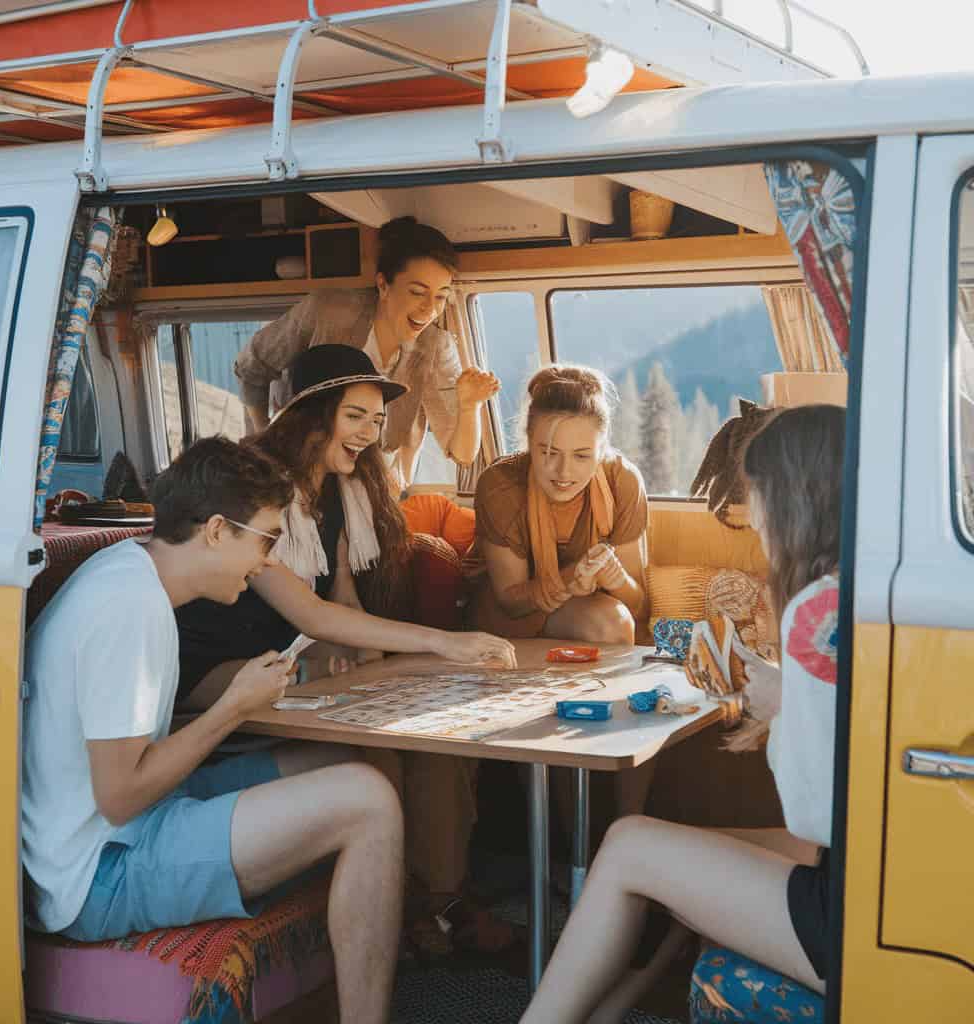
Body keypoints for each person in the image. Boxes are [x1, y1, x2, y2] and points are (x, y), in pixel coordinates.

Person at [22, 437, 404, 1024]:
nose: (270, 561)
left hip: (125, 823)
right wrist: (232, 707)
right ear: (219, 530)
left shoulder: (132, 570)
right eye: (266, 539)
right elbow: (119, 796)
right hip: (96, 869)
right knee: (369, 802)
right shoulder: (127, 610)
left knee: (345, 759)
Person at [175, 344, 519, 958]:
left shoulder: (340, 489)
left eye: (377, 421)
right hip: (212, 666)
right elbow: (309, 612)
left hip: (287, 659)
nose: (368, 433)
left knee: (424, 732)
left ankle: (441, 900)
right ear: (314, 413)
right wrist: (443, 640)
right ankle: (412, 913)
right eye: (355, 415)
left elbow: (342, 599)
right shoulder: (254, 487)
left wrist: (396, 667)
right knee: (371, 745)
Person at [519, 403, 845, 1024]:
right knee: (677, 859)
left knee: (628, 844)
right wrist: (778, 691)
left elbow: (812, 812)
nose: (754, 522)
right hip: (885, 879)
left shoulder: (816, 614)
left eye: (758, 497)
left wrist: (781, 710)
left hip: (846, 916)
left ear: (796, 499)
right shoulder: (864, 589)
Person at [234, 215, 500, 489]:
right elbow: (252, 368)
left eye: (441, 296)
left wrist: (470, 406)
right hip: (301, 471)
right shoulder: (328, 312)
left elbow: (463, 454)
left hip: (376, 488)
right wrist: (263, 437)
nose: (430, 309)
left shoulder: (435, 347)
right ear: (384, 285)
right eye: (418, 293)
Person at [470, 364, 648, 644]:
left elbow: (638, 604)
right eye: (549, 453)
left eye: (581, 456)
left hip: (582, 609)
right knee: (607, 622)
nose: (564, 472)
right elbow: (510, 602)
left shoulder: (622, 481)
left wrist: (616, 578)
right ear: (529, 441)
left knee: (615, 623)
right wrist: (569, 579)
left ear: (601, 451)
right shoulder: (500, 485)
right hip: (511, 617)